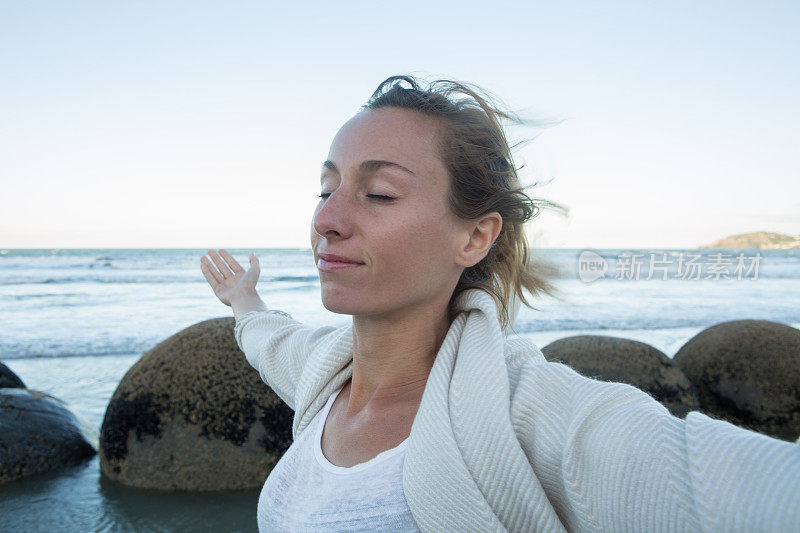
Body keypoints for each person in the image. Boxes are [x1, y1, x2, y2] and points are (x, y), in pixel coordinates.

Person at [200, 75, 800, 532]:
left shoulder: (524, 411)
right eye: (325, 189)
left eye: (378, 192)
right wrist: (242, 298)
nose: (326, 220)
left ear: (475, 236)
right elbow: (268, 337)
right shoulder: (322, 374)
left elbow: (726, 485)